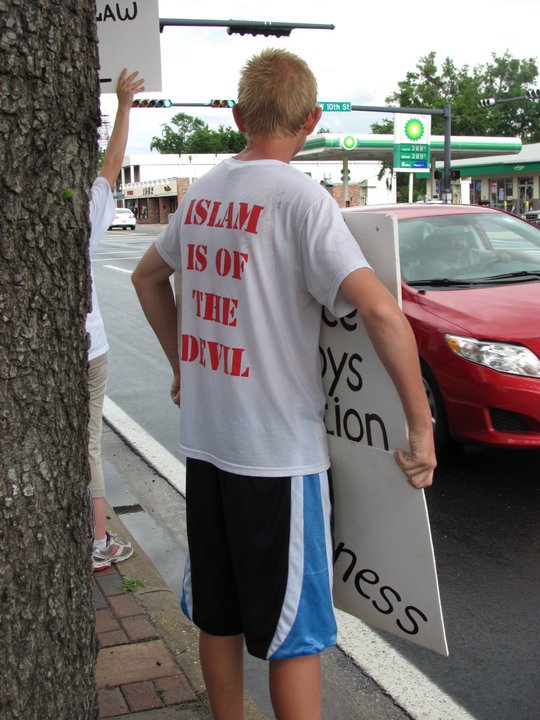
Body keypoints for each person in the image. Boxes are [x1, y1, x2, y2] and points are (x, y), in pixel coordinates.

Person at [132, 49, 435, 720]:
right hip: (277, 459)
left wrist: (185, 365)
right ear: (312, 121)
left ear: (239, 116)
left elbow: (148, 278)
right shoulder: (301, 199)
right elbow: (382, 311)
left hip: (207, 447)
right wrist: (420, 428)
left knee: (220, 613)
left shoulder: (205, 188)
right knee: (294, 634)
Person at [88, 68, 144, 571]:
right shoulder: (83, 207)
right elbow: (111, 166)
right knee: (87, 439)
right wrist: (124, 105)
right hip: (87, 346)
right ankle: (97, 538)